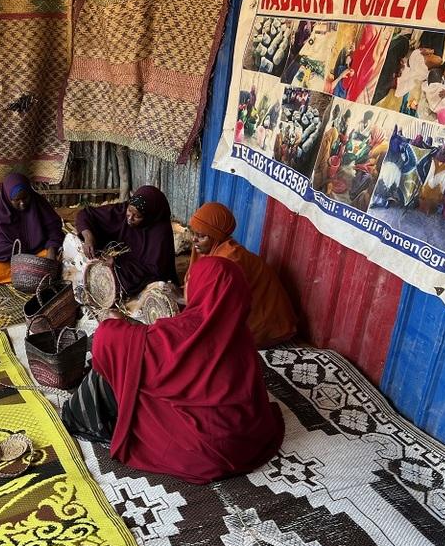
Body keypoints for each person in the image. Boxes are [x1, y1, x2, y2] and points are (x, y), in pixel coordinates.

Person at [61, 257, 285, 484]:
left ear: (202, 286)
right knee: (135, 359)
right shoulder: (240, 332)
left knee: (124, 364)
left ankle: (77, 417)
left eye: (190, 280)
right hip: (244, 442)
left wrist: (113, 322)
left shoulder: (180, 332)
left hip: (202, 450)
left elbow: (109, 343)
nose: (185, 285)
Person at [188, 202, 297, 348]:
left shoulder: (230, 260)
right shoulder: (208, 249)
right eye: (193, 233)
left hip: (265, 323)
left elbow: (218, 307)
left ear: (216, 236)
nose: (194, 239)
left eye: (201, 236)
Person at [75, 185, 178, 297]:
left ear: (149, 216)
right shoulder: (123, 210)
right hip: (117, 256)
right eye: (129, 211)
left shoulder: (159, 233)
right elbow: (85, 214)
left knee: (132, 285)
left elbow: (154, 269)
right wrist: (88, 237)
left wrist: (118, 263)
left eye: (137, 216)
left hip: (140, 270)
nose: (129, 218)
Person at [0, 172, 64, 284]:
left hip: (38, 253)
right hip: (11, 258)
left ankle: (28, 273)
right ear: (8, 198)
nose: (22, 204)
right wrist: (19, 257)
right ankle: (34, 273)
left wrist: (51, 250)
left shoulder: (39, 204)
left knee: (62, 254)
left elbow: (54, 229)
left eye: (25, 198)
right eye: (16, 200)